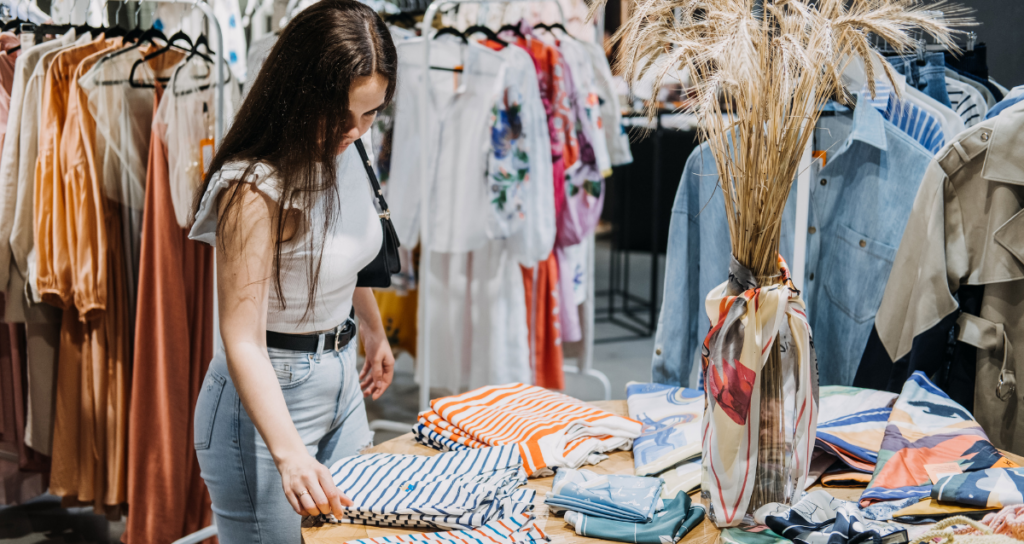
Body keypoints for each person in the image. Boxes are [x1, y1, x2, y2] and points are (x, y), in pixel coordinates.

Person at [188, 1, 398, 541]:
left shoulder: (351, 142)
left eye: (371, 113)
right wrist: (288, 454)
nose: (356, 130)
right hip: (265, 400)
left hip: (341, 380)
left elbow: (336, 254)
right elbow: (242, 341)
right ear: (300, 95)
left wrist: (371, 328)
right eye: (344, 114)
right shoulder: (253, 187)